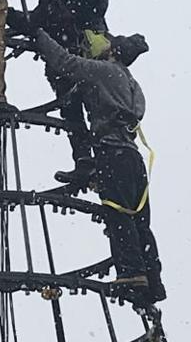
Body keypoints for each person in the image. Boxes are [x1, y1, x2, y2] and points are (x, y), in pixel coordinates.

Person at [33, 28, 165, 303]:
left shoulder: (103, 71)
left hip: (111, 152)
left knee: (118, 214)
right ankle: (152, 277)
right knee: (140, 219)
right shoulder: (131, 82)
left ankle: (131, 274)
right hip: (132, 154)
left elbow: (64, 62)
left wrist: (38, 33)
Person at [8, 0, 109, 185]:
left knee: (97, 113)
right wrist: (7, 14)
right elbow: (34, 23)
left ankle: (105, 163)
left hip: (86, 59)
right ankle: (85, 161)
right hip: (63, 66)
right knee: (72, 112)